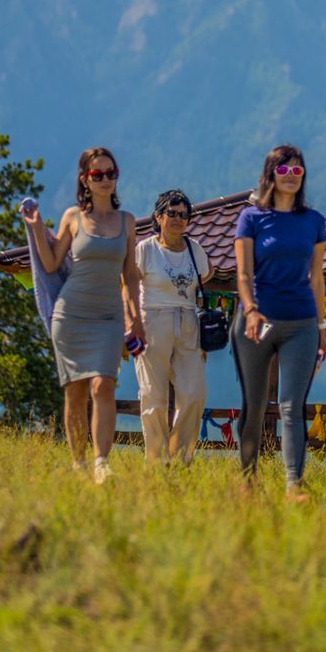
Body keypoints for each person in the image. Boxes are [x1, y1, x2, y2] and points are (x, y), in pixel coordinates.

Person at [23, 147, 144, 484]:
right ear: (85, 180)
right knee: (75, 391)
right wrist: (36, 229)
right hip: (71, 314)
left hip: (108, 316)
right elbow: (50, 264)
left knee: (103, 384)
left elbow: (130, 274)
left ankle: (101, 461)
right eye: (97, 175)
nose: (105, 180)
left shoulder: (127, 221)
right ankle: (78, 463)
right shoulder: (73, 218)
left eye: (110, 173)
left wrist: (136, 318)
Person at [232, 144, 326, 501]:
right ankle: (248, 477)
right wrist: (252, 309)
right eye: (283, 170)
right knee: (254, 403)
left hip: (301, 321)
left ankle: (293, 485)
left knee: (292, 405)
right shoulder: (251, 218)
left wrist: (320, 329)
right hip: (255, 322)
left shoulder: (313, 221)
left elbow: (317, 279)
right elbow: (243, 274)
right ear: (270, 173)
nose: (291, 177)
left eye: (297, 171)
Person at [134, 189, 212, 466]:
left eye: (183, 215)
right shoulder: (145, 249)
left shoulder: (195, 248)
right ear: (158, 216)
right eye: (172, 213)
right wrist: (131, 322)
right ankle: (155, 460)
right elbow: (128, 284)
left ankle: (179, 457)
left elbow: (207, 272)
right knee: (152, 394)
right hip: (152, 318)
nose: (178, 219)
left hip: (188, 319)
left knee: (194, 392)